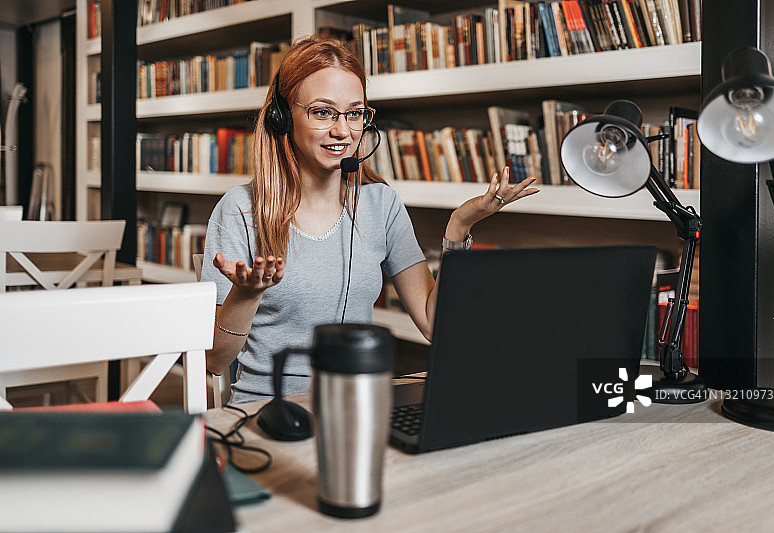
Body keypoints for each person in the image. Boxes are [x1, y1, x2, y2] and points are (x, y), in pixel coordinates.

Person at [202, 37, 539, 404]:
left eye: (354, 113)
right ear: (282, 117)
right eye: (323, 112)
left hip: (357, 405)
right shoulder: (240, 210)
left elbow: (434, 324)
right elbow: (214, 360)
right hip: (269, 410)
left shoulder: (381, 204)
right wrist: (246, 294)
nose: (343, 131)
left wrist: (458, 227)